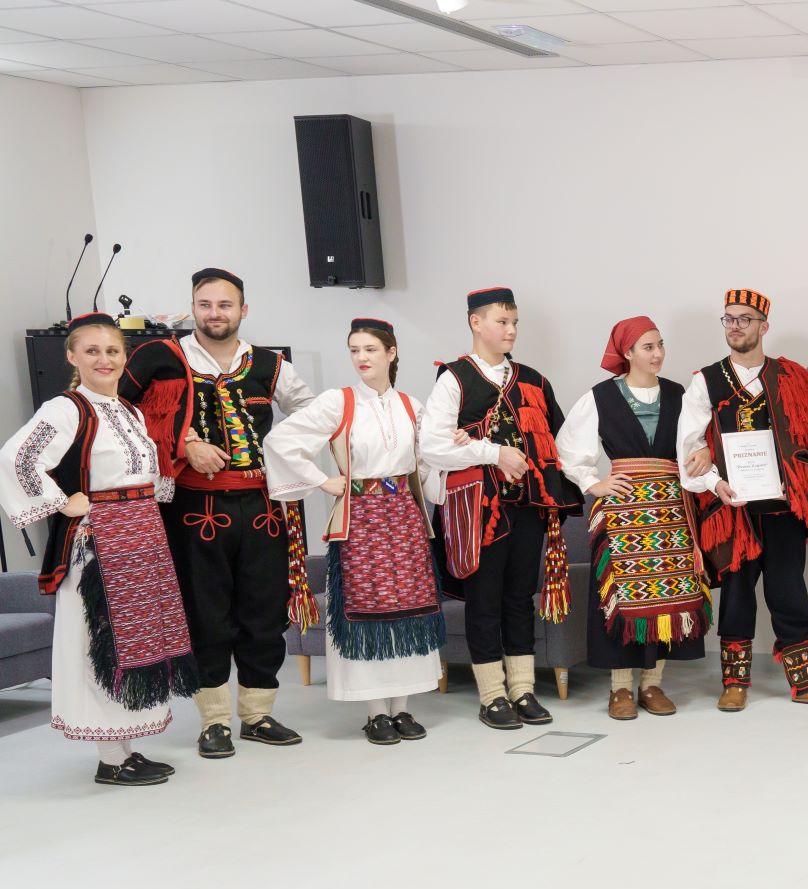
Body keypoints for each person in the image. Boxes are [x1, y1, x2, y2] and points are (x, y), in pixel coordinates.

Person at [119, 267, 316, 758]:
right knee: (206, 614)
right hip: (194, 506)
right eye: (204, 304)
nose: (214, 314)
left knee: (264, 612)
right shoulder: (160, 357)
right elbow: (118, 413)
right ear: (192, 308)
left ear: (242, 310)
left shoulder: (269, 364)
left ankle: (257, 715)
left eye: (224, 305)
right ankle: (213, 722)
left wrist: (282, 453)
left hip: (263, 505)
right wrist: (183, 443)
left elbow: (312, 412)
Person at [1, 314, 195, 786]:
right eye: (92, 351)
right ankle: (110, 759)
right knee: (99, 643)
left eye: (112, 351)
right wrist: (62, 502)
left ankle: (125, 748)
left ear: (124, 357)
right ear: (72, 356)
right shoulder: (66, 409)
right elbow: (16, 458)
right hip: (99, 542)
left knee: (134, 641)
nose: (104, 360)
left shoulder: (128, 410)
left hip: (140, 537)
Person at [263, 318, 444, 744]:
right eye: (354, 350)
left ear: (391, 353)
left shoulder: (412, 406)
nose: (361, 357)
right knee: (365, 613)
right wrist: (322, 480)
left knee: (410, 611)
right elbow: (281, 441)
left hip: (404, 517)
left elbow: (427, 463)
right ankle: (375, 712)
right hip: (359, 518)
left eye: (370, 349)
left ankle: (402, 709)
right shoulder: (338, 402)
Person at [418, 286, 580, 730]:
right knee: (484, 599)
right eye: (501, 322)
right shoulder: (454, 378)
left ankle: (523, 689)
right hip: (477, 510)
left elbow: (562, 441)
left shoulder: (534, 380)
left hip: (527, 507)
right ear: (476, 322)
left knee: (519, 597)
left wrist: (590, 482)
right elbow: (432, 446)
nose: (511, 330)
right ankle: (492, 695)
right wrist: (492, 452)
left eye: (514, 323)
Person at [678, 288, 808, 710]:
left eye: (745, 319)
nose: (735, 326)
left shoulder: (791, 377)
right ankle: (734, 683)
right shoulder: (706, 381)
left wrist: (797, 480)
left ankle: (806, 683)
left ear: (764, 326)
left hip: (782, 504)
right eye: (729, 319)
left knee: (789, 590)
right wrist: (713, 479)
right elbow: (689, 448)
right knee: (736, 593)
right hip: (732, 506)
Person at [555, 316, 706, 721]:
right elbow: (567, 449)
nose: (657, 354)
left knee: (667, 596)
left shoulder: (678, 394)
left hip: (670, 508)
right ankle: (620, 688)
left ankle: (652, 684)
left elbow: (696, 442)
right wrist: (594, 483)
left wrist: (704, 453)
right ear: (627, 352)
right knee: (622, 598)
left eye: (660, 345)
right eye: (648, 347)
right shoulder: (601, 396)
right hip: (624, 511)